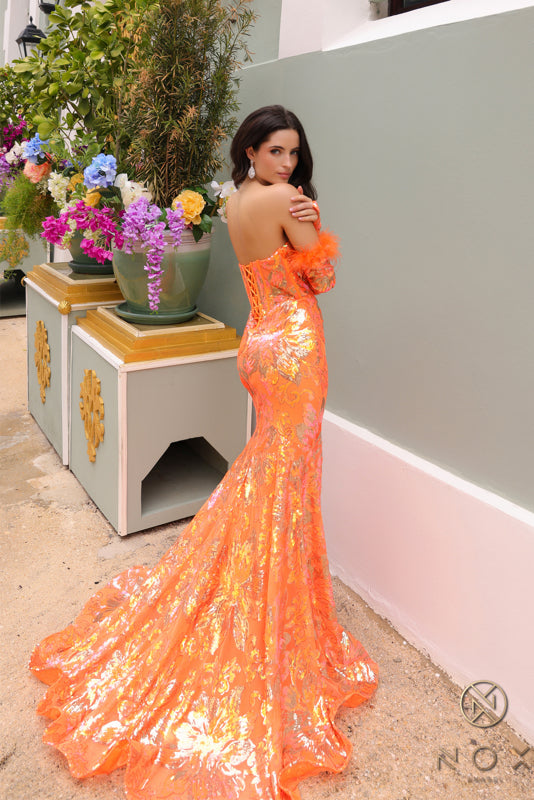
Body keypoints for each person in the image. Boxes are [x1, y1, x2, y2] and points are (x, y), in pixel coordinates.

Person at [29, 105, 378, 800]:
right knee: (288, 480)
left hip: (257, 345)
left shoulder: (236, 201)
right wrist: (313, 217)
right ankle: (273, 605)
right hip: (295, 346)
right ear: (251, 151)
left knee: (266, 473)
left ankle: (256, 580)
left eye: (293, 152)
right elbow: (322, 279)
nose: (287, 163)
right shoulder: (287, 201)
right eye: (276, 151)